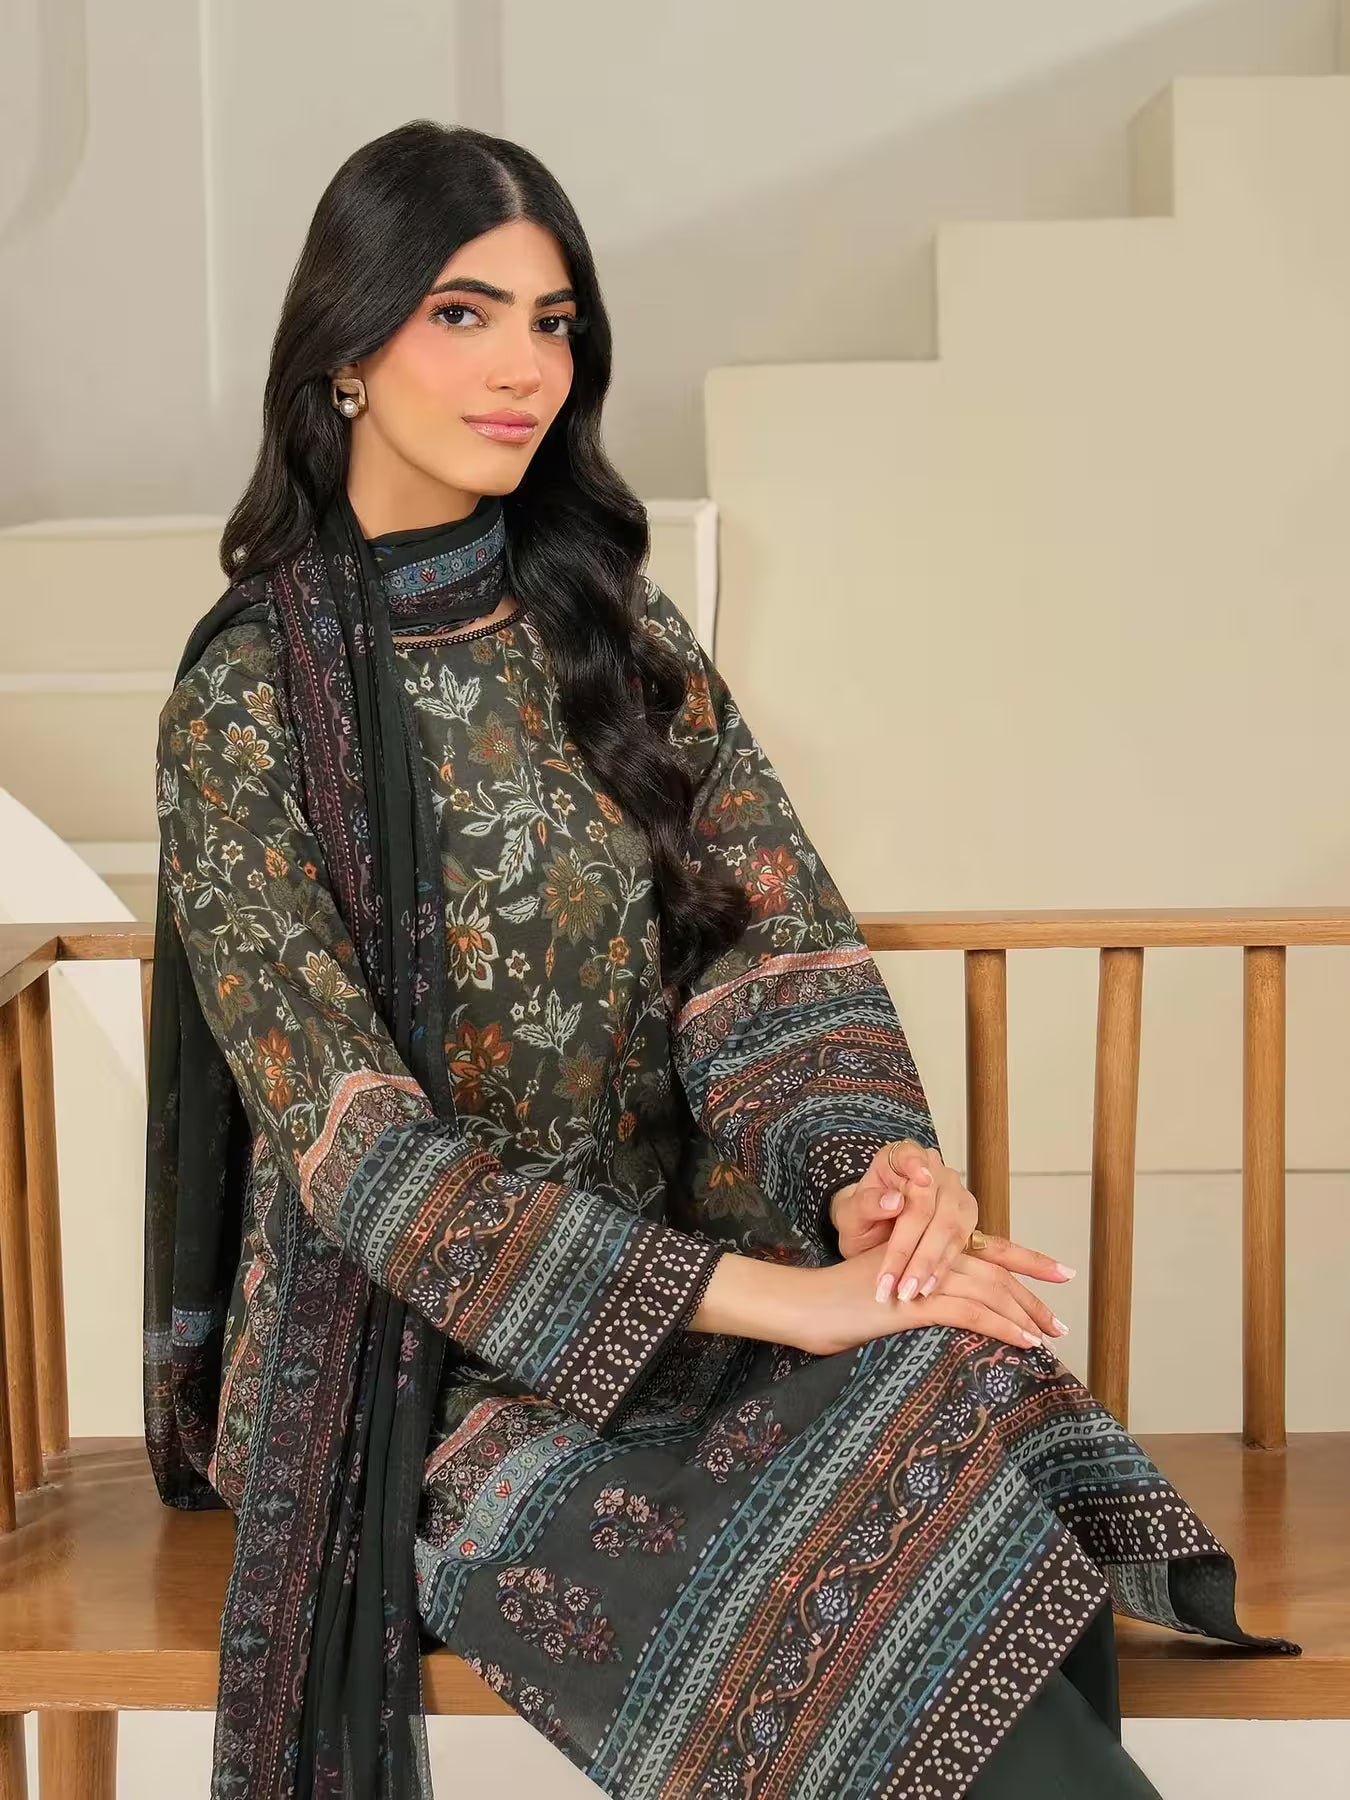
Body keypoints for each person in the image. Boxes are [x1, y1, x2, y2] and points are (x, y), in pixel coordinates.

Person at [143, 120, 1295, 1800]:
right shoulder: (247, 706)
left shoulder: (603, 619)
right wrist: (788, 1304)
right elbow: (363, 1164)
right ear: (344, 347)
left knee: (957, 1379)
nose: (522, 367)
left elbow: (763, 944)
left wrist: (866, 1183)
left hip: (695, 1276)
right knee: (783, 1590)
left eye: (554, 323)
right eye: (463, 314)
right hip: (415, 1368)